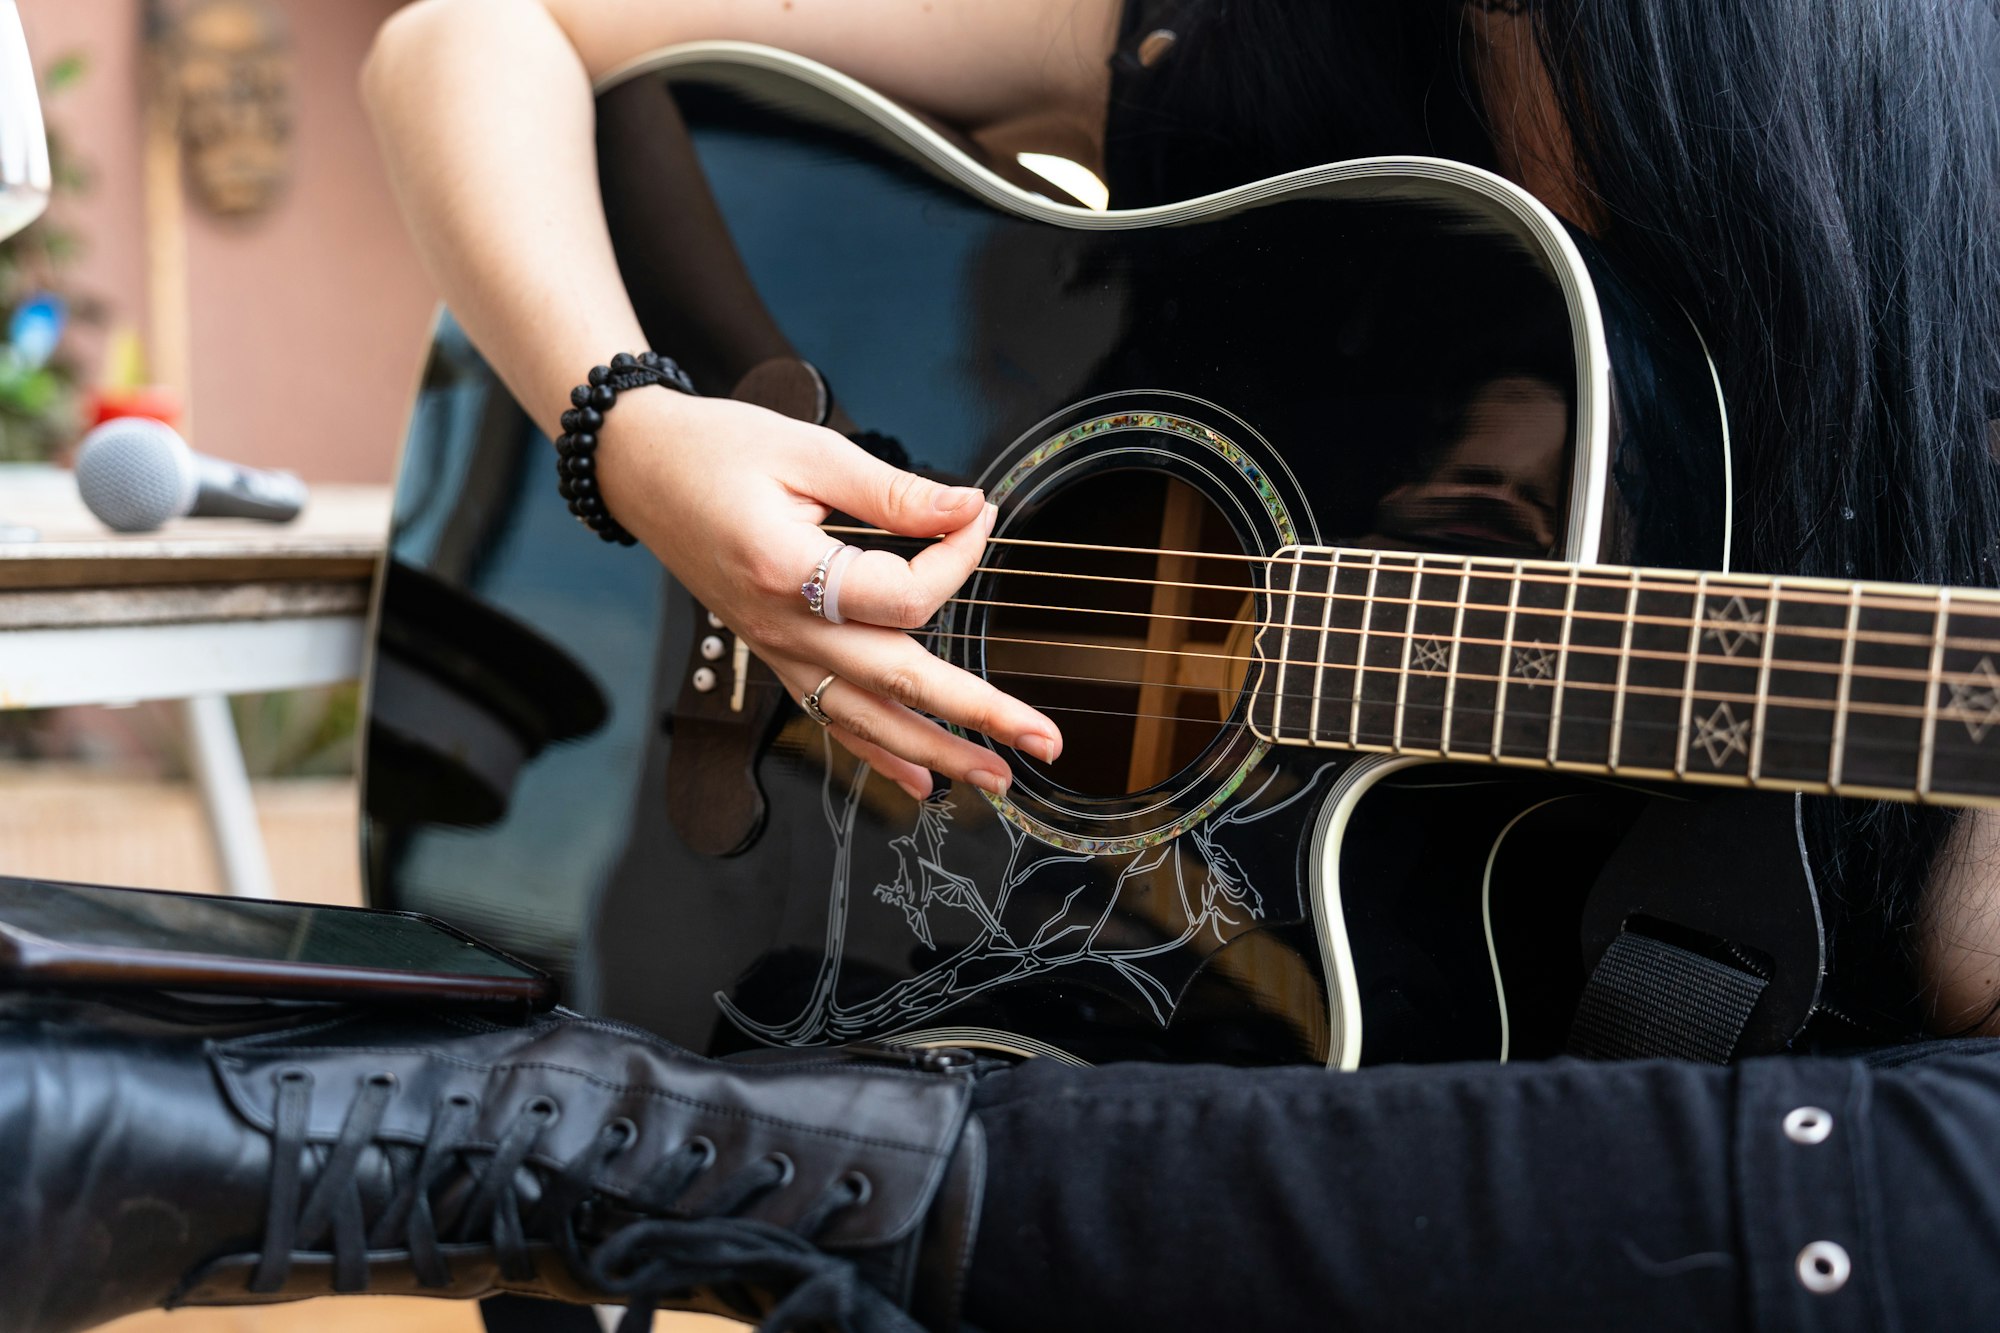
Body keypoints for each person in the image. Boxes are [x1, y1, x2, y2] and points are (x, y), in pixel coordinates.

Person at [3, 1, 1999, 1330]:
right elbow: (478, 33)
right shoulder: (1233, 31)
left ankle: (530, 1139)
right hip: (813, 846)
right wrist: (635, 428)